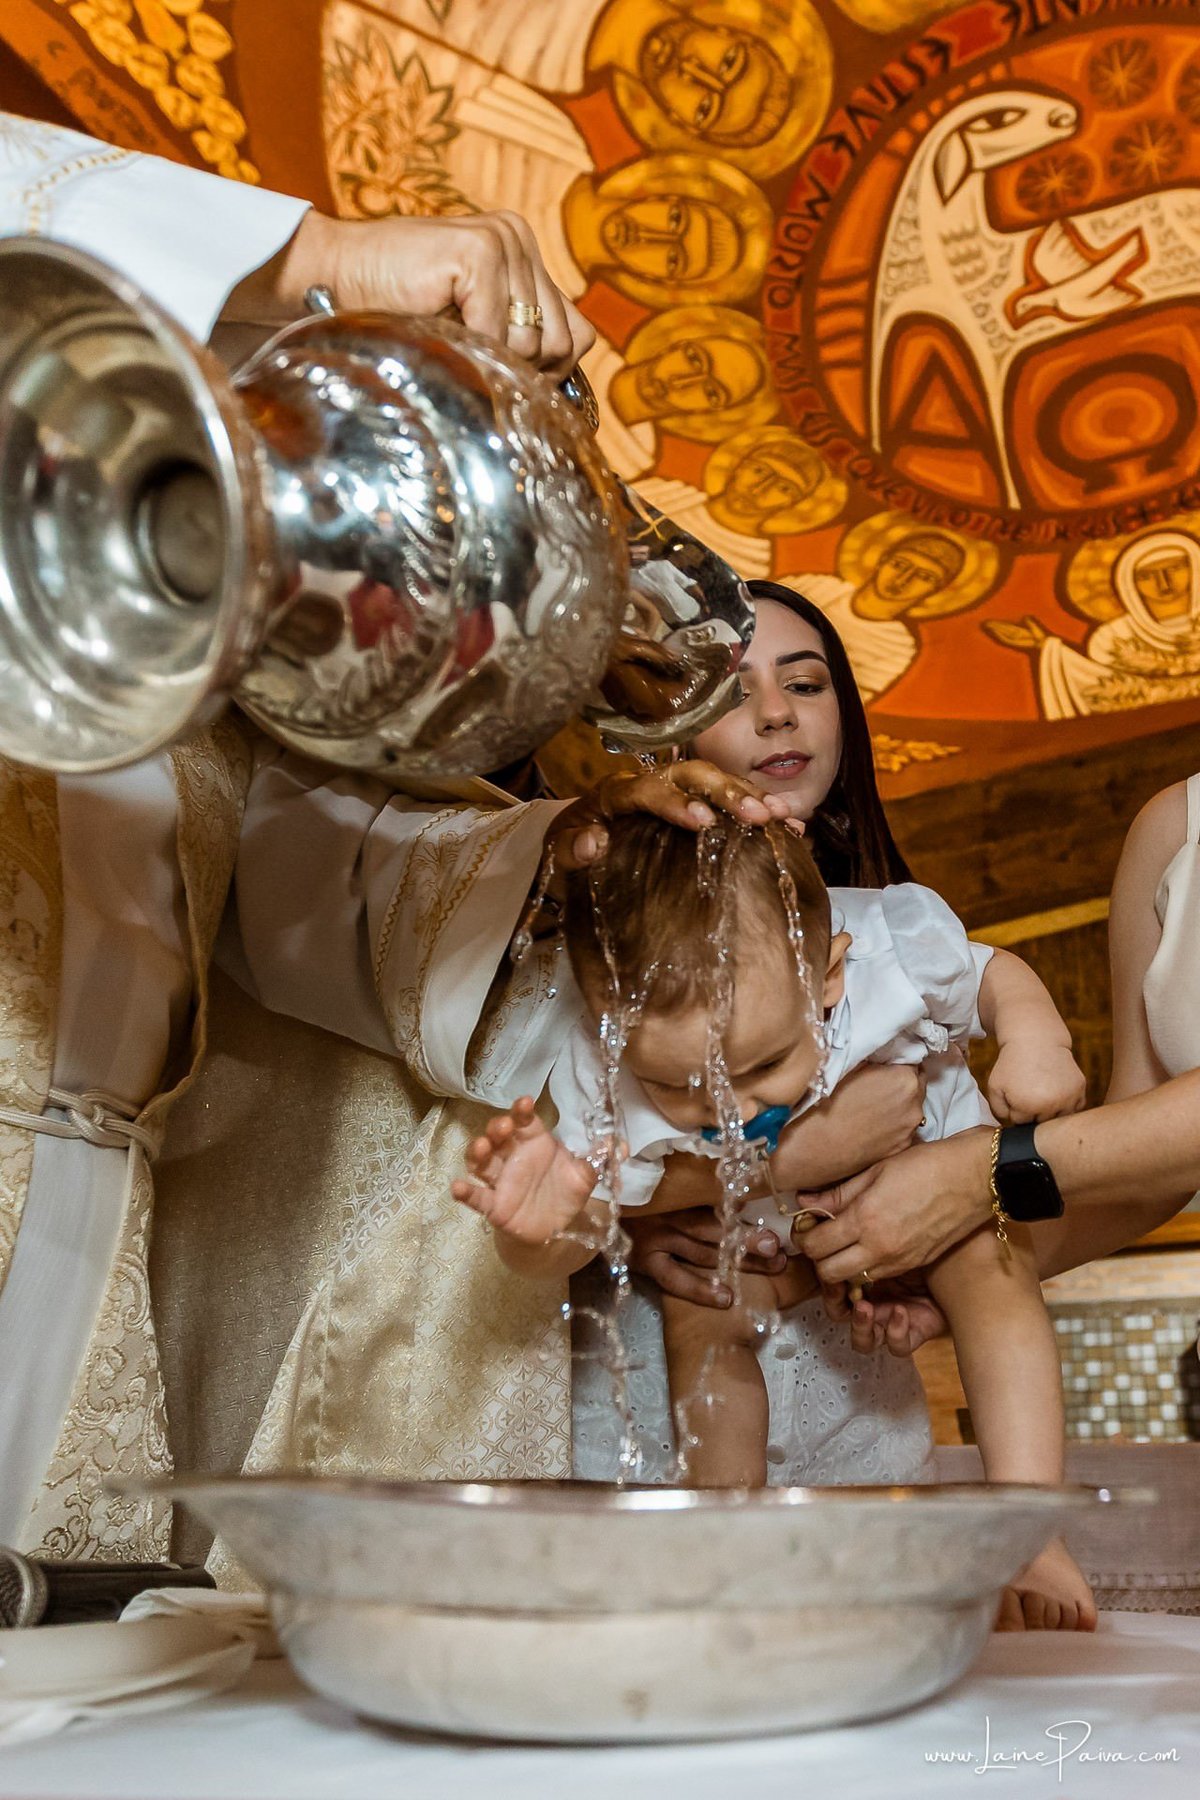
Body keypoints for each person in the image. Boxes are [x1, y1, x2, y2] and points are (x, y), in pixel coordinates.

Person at [0, 105, 597, 1557]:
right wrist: (308, 249)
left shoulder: (141, 647)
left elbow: (288, 894)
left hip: (83, 1232)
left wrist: (568, 866)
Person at [453, 812, 1095, 1629]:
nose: (732, 1112)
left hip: (927, 1179)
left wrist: (1039, 1039)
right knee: (703, 1313)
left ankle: (1030, 1526)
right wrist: (536, 1229)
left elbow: (989, 975)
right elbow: (572, 1240)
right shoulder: (602, 1061)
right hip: (761, 1233)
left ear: (826, 979)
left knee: (989, 1269)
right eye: (680, 1087)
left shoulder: (880, 942)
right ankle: (728, 1541)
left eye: (760, 1067)